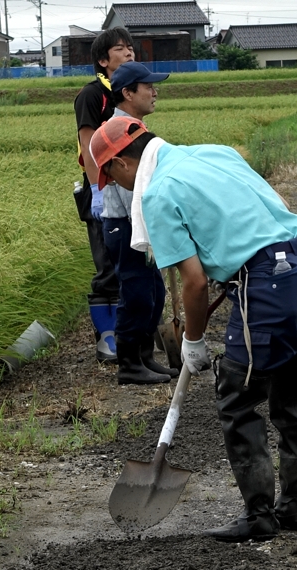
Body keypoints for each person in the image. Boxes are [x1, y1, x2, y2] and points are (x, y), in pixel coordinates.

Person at [89, 117, 297, 542]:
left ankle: (260, 515)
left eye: (111, 177)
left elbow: (192, 282)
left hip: (272, 281)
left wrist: (192, 341)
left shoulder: (158, 193)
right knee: (291, 389)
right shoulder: (215, 151)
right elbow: (276, 206)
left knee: (237, 395)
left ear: (120, 165)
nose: (117, 185)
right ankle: (294, 507)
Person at [101, 61, 179, 385]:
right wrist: (144, 225)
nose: (154, 91)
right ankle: (129, 364)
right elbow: (127, 184)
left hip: (138, 222)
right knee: (135, 293)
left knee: (153, 293)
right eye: (147, 86)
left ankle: (146, 357)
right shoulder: (118, 131)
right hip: (125, 223)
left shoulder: (135, 127)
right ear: (128, 93)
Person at [73, 27, 134, 363]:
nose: (128, 53)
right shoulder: (92, 95)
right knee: (107, 263)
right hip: (102, 187)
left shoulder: (128, 92)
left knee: (130, 260)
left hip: (128, 186)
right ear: (102, 60)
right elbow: (88, 144)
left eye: (130, 48)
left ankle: (129, 333)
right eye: (120, 49)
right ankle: (106, 338)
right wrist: (98, 191)